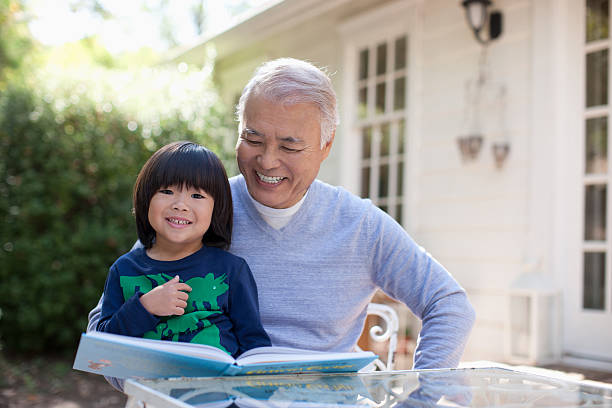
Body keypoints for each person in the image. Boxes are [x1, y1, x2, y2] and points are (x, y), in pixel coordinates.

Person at [89, 58, 475, 380]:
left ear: (327, 144)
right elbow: (104, 332)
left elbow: (448, 303)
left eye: (290, 145)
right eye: (253, 140)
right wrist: (156, 388)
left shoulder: (361, 226)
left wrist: (422, 397)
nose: (267, 160)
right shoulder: (196, 210)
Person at [96, 141, 270, 357]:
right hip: (149, 388)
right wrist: (144, 307)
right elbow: (101, 348)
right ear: (146, 199)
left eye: (197, 196)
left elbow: (254, 344)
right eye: (167, 191)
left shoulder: (231, 271)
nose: (180, 205)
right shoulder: (124, 270)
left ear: (216, 209)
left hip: (218, 387)